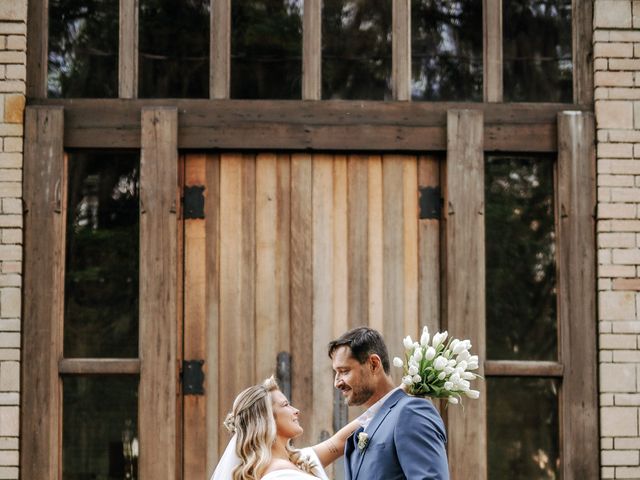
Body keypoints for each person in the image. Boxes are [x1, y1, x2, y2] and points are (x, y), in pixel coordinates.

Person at [329, 326, 449, 480]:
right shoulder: (368, 422)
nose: (337, 383)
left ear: (373, 364)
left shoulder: (411, 412)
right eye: (336, 373)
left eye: (344, 371)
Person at [210, 376, 361, 480]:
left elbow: (340, 441)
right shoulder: (280, 473)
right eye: (285, 405)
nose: (296, 410)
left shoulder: (296, 460)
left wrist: (383, 407)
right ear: (267, 419)